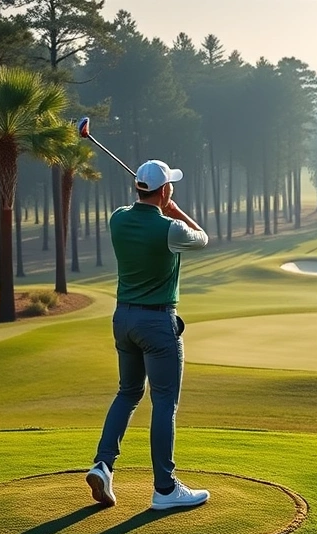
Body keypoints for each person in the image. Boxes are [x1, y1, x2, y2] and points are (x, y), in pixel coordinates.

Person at [86, 159, 210, 511]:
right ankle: (165, 489)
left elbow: (138, 207)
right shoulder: (170, 229)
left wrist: (159, 201)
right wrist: (175, 209)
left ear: (138, 187)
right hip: (157, 323)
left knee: (127, 393)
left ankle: (103, 464)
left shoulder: (118, 218)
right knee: (164, 402)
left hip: (123, 319)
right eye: (170, 185)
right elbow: (202, 238)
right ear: (165, 189)